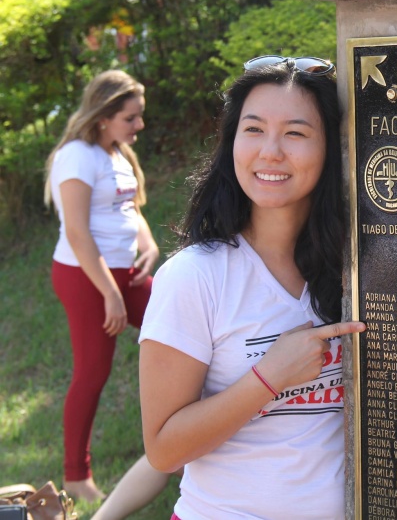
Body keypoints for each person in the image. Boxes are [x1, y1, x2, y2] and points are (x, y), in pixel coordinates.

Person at [138, 56, 366, 520]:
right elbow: (163, 449)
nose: (270, 152)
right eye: (254, 129)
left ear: (332, 149)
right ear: (231, 141)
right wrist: (269, 378)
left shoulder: (357, 270)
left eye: (296, 133)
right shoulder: (195, 277)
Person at [45, 69, 168, 505]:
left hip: (124, 274)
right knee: (92, 373)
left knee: (182, 327)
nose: (139, 126)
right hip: (86, 277)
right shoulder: (77, 155)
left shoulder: (115, 153)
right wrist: (110, 295)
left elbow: (129, 209)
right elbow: (77, 231)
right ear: (103, 116)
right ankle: (76, 476)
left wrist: (148, 244)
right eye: (130, 118)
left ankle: (195, 440)